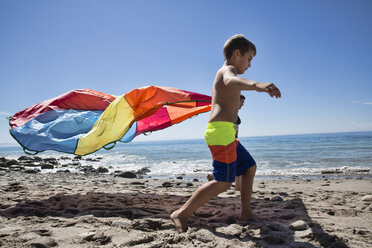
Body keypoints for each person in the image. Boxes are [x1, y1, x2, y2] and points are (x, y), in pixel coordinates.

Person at [171, 34, 281, 233]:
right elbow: (231, 81)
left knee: (249, 167)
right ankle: (182, 213)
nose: (249, 64)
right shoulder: (227, 70)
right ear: (236, 54)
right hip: (220, 132)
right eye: (249, 59)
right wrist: (259, 86)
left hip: (227, 133)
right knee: (223, 182)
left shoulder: (226, 71)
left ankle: (246, 212)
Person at [206, 94, 248, 192]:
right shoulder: (228, 111)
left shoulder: (234, 112)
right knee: (237, 165)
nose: (242, 104)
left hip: (233, 140)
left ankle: (237, 187)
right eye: (241, 102)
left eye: (243, 103)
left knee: (236, 164)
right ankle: (213, 177)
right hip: (227, 141)